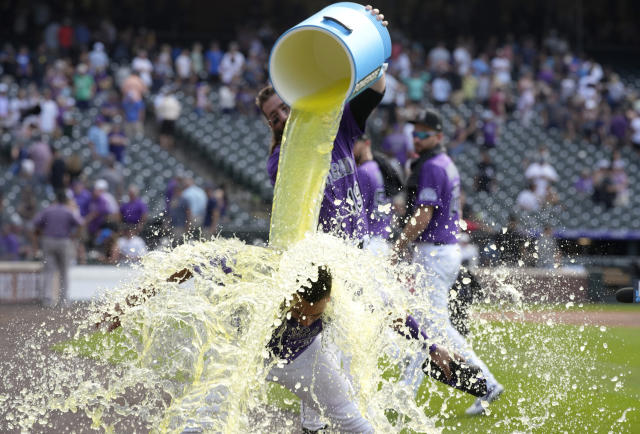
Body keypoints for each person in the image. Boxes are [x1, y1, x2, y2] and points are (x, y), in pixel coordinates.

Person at [392, 107, 503, 415]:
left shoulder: (431, 166)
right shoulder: (445, 162)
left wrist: (399, 245)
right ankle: (404, 394)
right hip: (444, 249)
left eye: (424, 133)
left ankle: (487, 383)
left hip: (435, 250)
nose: (417, 136)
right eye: (415, 131)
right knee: (423, 326)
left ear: (438, 136)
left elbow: (424, 214)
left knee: (435, 326)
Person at [32, 190, 84, 306]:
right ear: (65, 200)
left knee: (48, 270)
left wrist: (42, 232)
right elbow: (80, 223)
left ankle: (47, 299)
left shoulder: (48, 210)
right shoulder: (68, 211)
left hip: (48, 240)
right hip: (63, 241)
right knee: (64, 271)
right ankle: (64, 300)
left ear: (55, 199)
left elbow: (36, 222)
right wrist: (75, 236)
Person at [352, 134, 393, 254]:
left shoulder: (362, 172)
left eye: (354, 143)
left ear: (366, 143)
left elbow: (356, 211)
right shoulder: (378, 166)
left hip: (369, 243)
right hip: (382, 241)